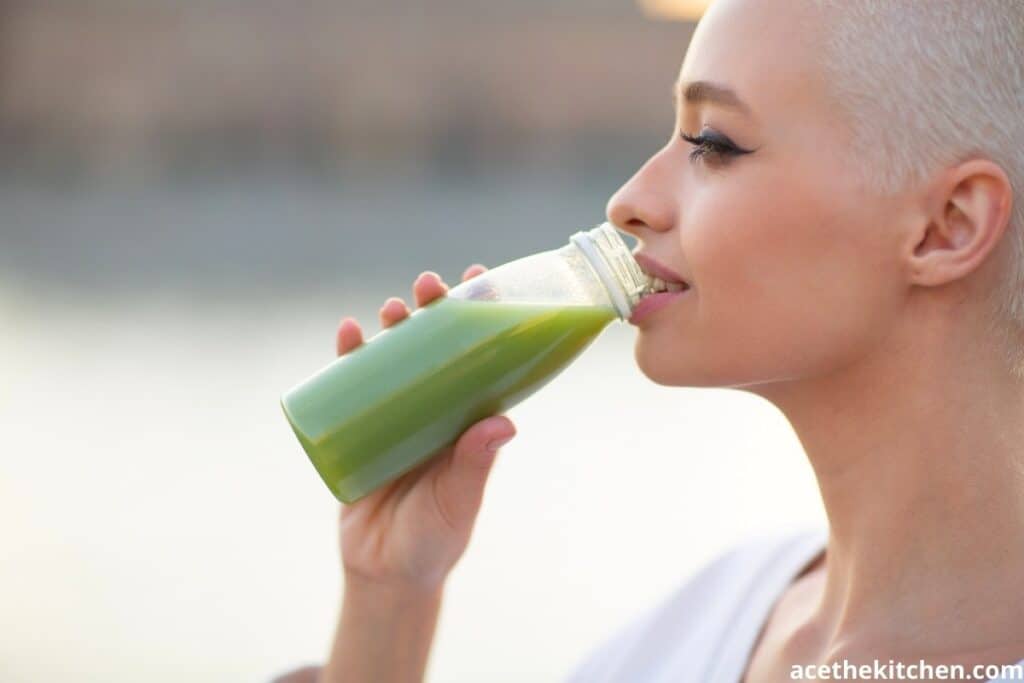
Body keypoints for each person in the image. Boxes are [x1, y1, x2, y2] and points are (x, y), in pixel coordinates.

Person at [273, 0, 1024, 680]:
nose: (629, 200)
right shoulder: (698, 628)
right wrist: (390, 598)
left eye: (714, 142)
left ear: (947, 225)